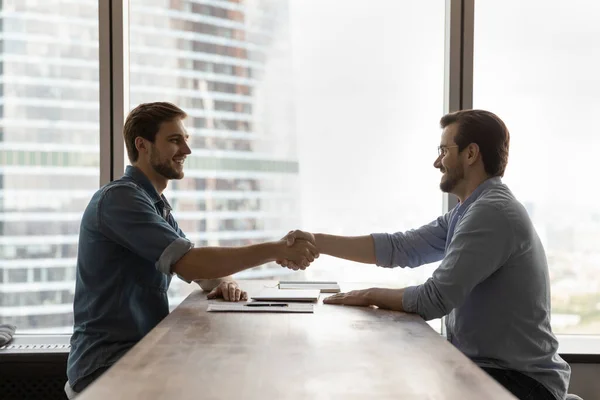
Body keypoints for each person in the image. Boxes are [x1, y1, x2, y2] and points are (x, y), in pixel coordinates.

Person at [280, 110, 570, 400]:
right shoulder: (468, 212)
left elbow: (434, 299)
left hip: (520, 381)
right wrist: (316, 241)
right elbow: (400, 247)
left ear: (471, 154)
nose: (436, 162)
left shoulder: (492, 213)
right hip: (489, 370)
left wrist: (368, 294)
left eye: (444, 150)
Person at [65, 102, 318, 398]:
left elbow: (204, 272)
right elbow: (191, 264)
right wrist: (277, 249)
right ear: (142, 145)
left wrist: (227, 281)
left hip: (140, 355)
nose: (186, 150)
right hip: (106, 367)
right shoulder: (120, 199)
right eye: (175, 140)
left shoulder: (157, 209)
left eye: (186, 140)